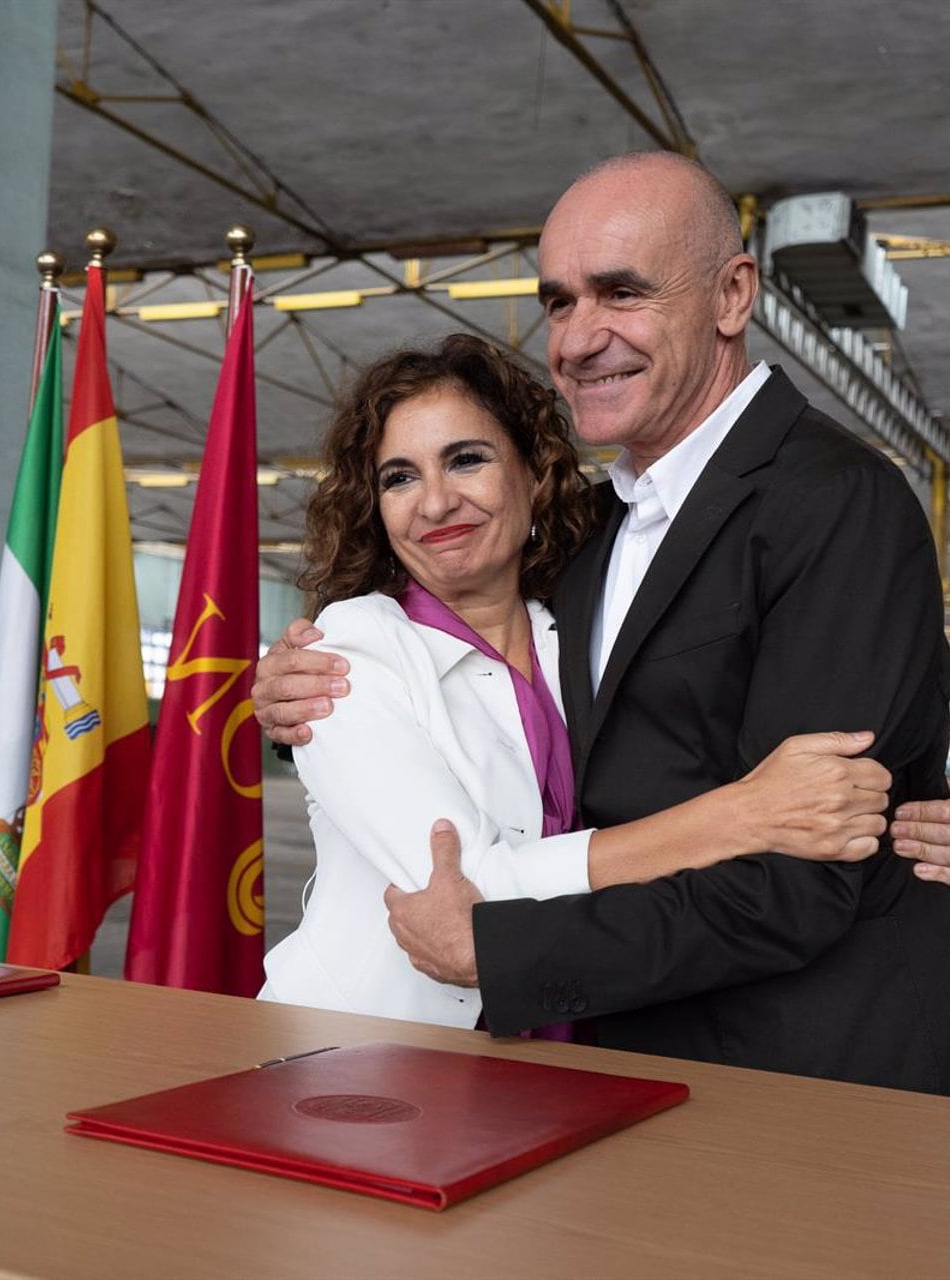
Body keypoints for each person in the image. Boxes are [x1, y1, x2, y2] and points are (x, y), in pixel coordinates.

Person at [257, 152, 950, 1109]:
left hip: (828, 1073)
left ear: (731, 295)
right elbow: (457, 612)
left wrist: (504, 952)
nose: (580, 338)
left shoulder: (837, 503)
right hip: (625, 1058)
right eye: (558, 302)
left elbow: (806, 875)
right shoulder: (584, 535)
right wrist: (293, 684)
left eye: (620, 293)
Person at [257, 334, 902, 1029]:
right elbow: (474, 888)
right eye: (399, 478)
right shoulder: (351, 648)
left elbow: (695, 740)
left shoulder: (580, 632)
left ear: (533, 475)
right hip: (357, 1054)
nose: (436, 502)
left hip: (547, 1047)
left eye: (466, 460)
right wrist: (740, 816)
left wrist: (918, 797)